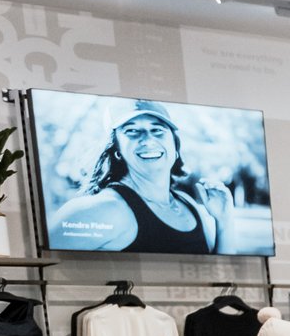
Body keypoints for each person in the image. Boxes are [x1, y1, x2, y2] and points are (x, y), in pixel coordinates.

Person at [46, 99, 226, 253]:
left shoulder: (188, 205)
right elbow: (42, 264)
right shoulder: (104, 209)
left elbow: (220, 273)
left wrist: (224, 219)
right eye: (131, 131)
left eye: (157, 130)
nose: (148, 139)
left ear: (175, 147)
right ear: (116, 149)